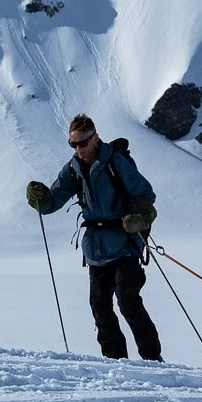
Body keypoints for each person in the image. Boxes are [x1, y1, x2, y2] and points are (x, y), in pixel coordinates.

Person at [25, 113, 163, 360]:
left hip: (124, 244)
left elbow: (145, 195)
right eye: (73, 144)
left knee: (128, 303)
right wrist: (40, 199)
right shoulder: (73, 168)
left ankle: (153, 361)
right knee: (99, 307)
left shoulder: (116, 162)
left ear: (95, 138)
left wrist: (140, 219)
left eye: (82, 143)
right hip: (96, 250)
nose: (78, 149)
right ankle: (116, 361)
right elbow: (53, 201)